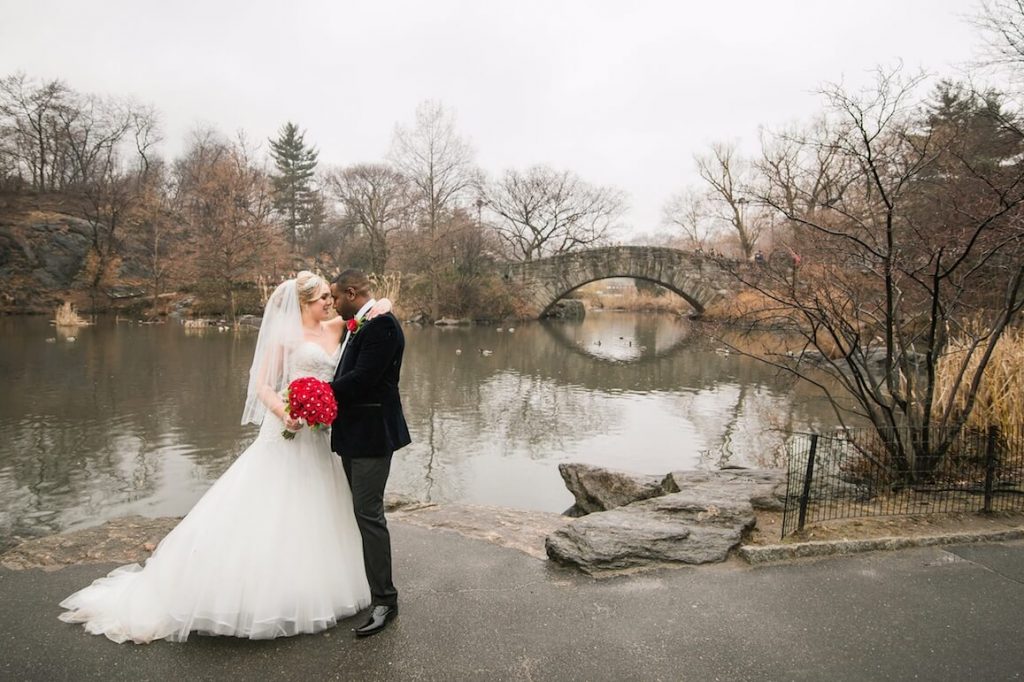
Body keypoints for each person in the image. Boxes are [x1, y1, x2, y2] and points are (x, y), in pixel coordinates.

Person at [58, 272, 390, 643]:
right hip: (288, 431)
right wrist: (285, 413)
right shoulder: (285, 338)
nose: (329, 303)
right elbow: (261, 384)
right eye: (322, 299)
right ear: (303, 303)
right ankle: (260, 594)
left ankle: (323, 584)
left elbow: (367, 318)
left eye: (331, 297)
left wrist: (385, 306)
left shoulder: (336, 329)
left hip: (322, 438)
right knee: (272, 511)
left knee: (322, 508)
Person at [329, 269, 411, 637]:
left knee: (370, 515)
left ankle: (385, 601)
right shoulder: (361, 324)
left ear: (350, 293)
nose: (332, 304)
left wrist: (319, 392)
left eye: (334, 297)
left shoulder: (382, 327)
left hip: (373, 437)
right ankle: (372, 590)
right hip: (354, 435)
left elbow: (363, 380)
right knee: (361, 513)